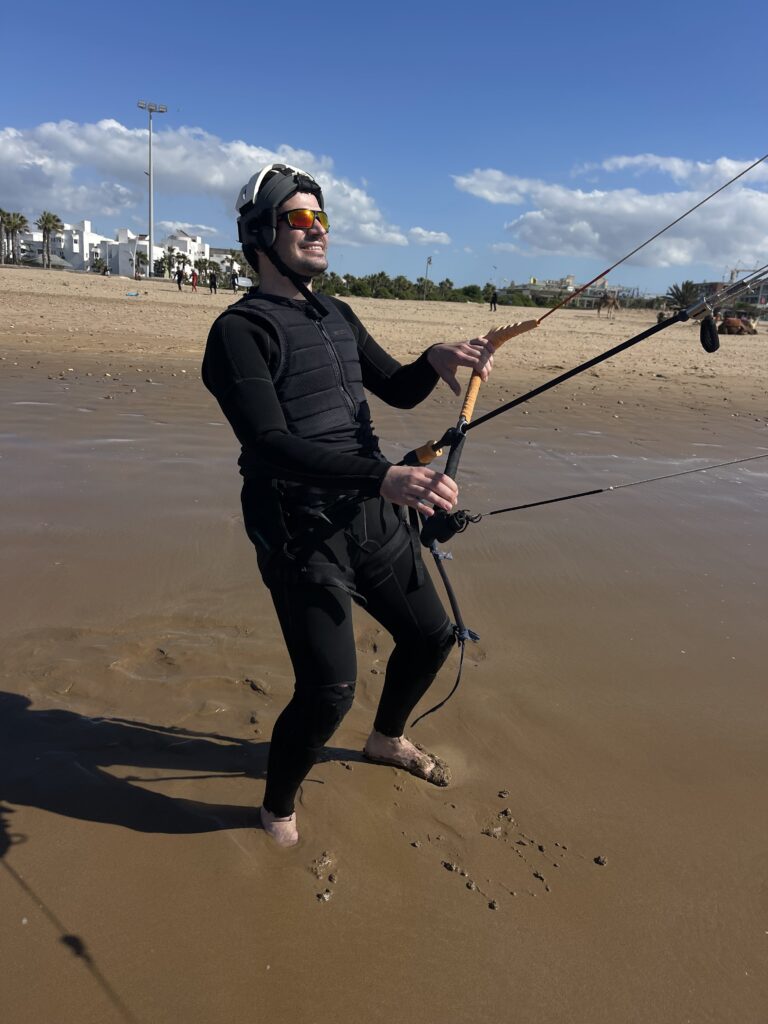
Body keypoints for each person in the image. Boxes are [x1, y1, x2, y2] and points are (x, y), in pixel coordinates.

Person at [202, 163, 494, 847]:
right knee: (329, 689)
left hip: (370, 504)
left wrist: (432, 358)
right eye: (300, 219)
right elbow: (269, 444)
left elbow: (395, 389)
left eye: (322, 218)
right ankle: (277, 807)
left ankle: (386, 739)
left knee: (431, 638)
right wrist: (385, 478)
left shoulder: (336, 314)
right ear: (259, 233)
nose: (317, 230)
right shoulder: (239, 331)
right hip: (299, 524)